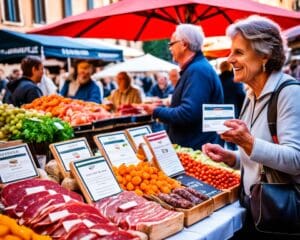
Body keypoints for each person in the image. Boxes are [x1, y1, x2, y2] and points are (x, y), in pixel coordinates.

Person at [202, 16, 300, 240]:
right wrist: (233, 157)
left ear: (264, 55)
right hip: (253, 208)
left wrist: (248, 142)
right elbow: (260, 158)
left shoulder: (289, 93)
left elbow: (296, 160)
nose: (230, 59)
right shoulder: (250, 94)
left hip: (280, 215)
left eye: (239, 52)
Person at [143, 24, 224, 150]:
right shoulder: (196, 68)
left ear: (184, 44)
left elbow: (187, 113)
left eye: (171, 44)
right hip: (195, 147)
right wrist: (164, 106)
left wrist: (155, 111)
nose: (170, 49)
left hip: (197, 151)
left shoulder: (197, 70)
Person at [219, 61, 245, 150]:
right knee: (233, 139)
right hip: (233, 112)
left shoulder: (217, 80)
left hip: (218, 113)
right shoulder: (235, 80)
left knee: (222, 137)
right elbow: (241, 96)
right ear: (230, 68)